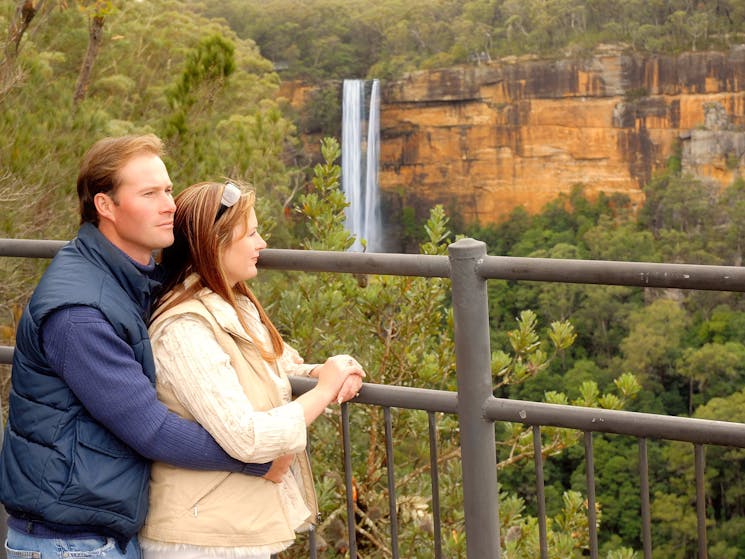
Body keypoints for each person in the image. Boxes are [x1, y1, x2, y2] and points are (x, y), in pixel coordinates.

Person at [0, 135, 283, 559]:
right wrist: (259, 461)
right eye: (149, 193)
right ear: (106, 206)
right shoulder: (78, 311)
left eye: (168, 190)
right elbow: (151, 429)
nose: (169, 204)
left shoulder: (127, 276)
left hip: (98, 530)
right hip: (70, 542)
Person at [138, 181, 365, 559]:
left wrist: (324, 372)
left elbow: (266, 366)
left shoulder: (232, 303)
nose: (262, 245)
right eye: (253, 233)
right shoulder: (184, 330)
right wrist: (323, 392)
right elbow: (246, 438)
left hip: (228, 526)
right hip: (199, 539)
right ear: (216, 242)